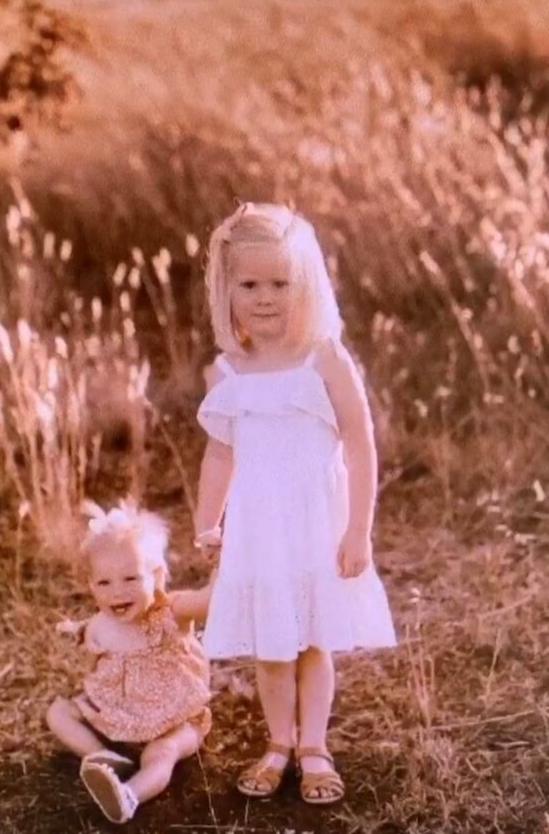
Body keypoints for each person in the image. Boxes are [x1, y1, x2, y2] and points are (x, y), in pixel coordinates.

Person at [194, 202, 397, 805]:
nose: (265, 298)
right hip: (259, 527)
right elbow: (220, 455)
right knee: (272, 644)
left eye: (280, 284)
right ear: (226, 290)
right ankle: (278, 742)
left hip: (315, 524)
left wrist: (358, 530)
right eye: (250, 285)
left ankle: (315, 746)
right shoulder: (227, 372)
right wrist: (207, 522)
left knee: (313, 640)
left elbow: (359, 443)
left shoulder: (324, 357)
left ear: (304, 283)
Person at [46, 500, 212, 825]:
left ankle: (128, 795)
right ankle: (103, 757)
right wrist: (76, 633)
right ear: (91, 585)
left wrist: (224, 563)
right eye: (104, 583)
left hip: (175, 719)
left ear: (156, 576)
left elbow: (208, 601)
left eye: (130, 578)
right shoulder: (100, 624)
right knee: (58, 713)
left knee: (161, 754)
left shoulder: (171, 613)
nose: (117, 593)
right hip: (119, 716)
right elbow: (89, 654)